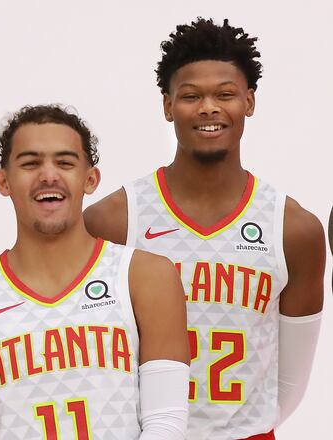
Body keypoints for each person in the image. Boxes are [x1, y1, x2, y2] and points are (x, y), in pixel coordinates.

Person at [84, 18, 325, 440]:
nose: (208, 108)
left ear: (249, 101)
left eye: (225, 94)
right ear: (167, 106)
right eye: (191, 95)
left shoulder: (293, 229)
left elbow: (289, 384)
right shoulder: (115, 219)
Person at [0, 104, 190, 439]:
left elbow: (166, 424)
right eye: (30, 163)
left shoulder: (145, 276)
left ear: (90, 179)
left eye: (65, 163)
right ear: (3, 181)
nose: (48, 175)